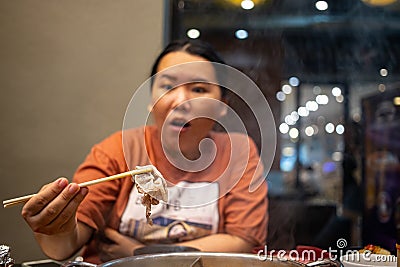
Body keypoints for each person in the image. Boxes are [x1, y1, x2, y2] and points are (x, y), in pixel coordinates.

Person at [21, 39, 268, 263]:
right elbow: (66, 245)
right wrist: (54, 227)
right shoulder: (118, 149)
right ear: (151, 99)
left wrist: (141, 253)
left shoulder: (238, 153)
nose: (180, 100)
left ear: (221, 106)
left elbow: (240, 243)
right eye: (168, 86)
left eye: (199, 89)